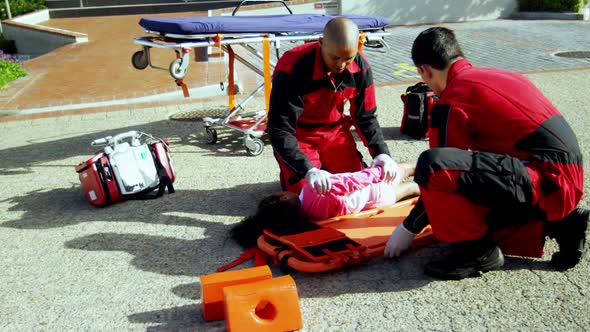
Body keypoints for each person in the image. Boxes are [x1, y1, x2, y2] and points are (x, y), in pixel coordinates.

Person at [384, 27, 587, 280]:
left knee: (432, 166)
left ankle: (477, 252)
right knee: (470, 188)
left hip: (546, 180)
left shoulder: (452, 100)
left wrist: (408, 227)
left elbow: (437, 171)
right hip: (564, 176)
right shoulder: (497, 75)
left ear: (424, 70)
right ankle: (564, 222)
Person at [267, 17, 396, 195]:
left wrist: (381, 153)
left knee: (358, 186)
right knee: (308, 197)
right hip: (300, 134)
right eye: (335, 57)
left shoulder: (361, 67)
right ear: (321, 43)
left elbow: (365, 116)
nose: (341, 65)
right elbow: (279, 129)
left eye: (348, 59)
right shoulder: (293, 67)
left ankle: (411, 171)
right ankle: (294, 174)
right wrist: (307, 169)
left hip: (335, 132)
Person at [230, 164, 419, 248]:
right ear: (283, 198)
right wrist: (376, 171)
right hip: (375, 188)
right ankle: (436, 167)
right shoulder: (312, 190)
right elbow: (350, 181)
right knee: (404, 168)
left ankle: (426, 188)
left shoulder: (312, 217)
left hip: (378, 201)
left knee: (411, 187)